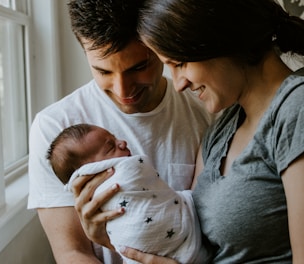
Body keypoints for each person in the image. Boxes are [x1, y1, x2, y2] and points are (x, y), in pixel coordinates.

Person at [73, 0, 304, 263]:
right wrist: (110, 237)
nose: (179, 83)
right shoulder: (224, 126)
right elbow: (191, 241)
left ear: (224, 39)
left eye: (180, 63)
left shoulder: (296, 108)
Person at [27, 0, 213, 263]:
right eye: (103, 71)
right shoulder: (55, 128)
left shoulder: (206, 110)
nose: (122, 91)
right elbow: (71, 252)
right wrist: (103, 240)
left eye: (138, 67)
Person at [47, 123, 209, 264]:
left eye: (115, 138)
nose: (122, 143)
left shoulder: (200, 115)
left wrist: (110, 242)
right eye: (111, 147)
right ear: (91, 171)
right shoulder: (50, 123)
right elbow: (71, 253)